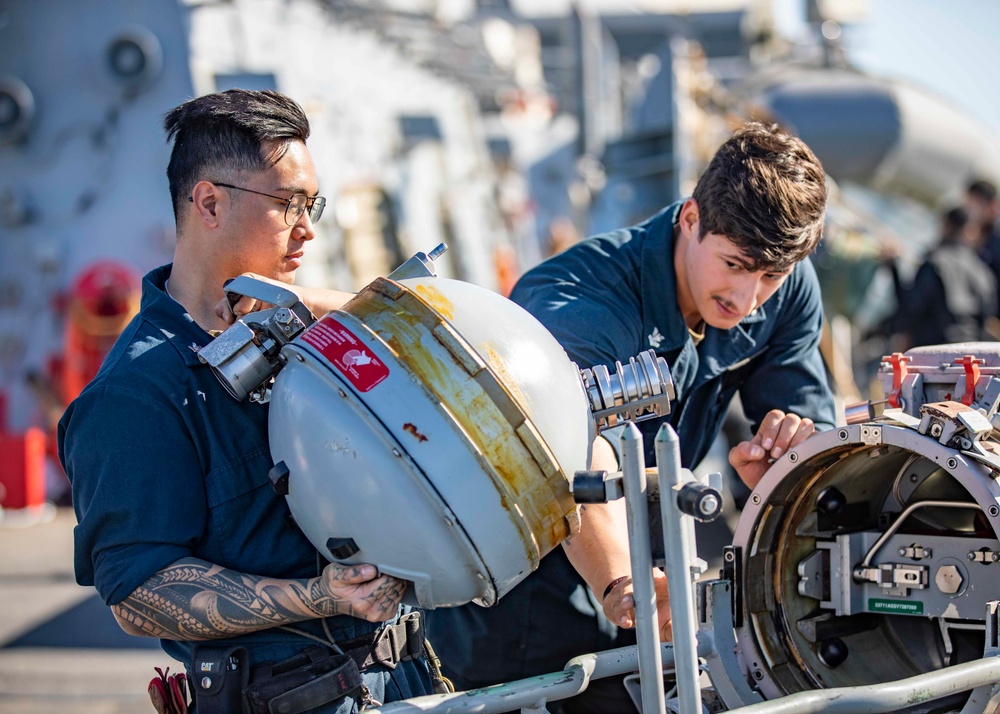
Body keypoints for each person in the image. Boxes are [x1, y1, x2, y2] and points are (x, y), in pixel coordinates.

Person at [426, 121, 837, 712]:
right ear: (691, 218)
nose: (748, 299)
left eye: (770, 276)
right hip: (520, 582)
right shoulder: (581, 303)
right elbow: (568, 449)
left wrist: (785, 457)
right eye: (735, 265)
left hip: (649, 578)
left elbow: (802, 411)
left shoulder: (789, 289)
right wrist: (619, 582)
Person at [58, 89, 434, 713]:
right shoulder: (138, 391)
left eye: (311, 203)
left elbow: (415, 337)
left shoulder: (294, 330)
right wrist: (323, 596)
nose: (308, 228)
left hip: (404, 676)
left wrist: (312, 304)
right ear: (208, 201)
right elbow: (137, 592)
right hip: (288, 697)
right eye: (288, 204)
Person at [880, 206, 996, 348]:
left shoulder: (935, 262)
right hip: (966, 357)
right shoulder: (984, 274)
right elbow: (985, 320)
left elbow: (910, 308)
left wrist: (893, 269)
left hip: (930, 353)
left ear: (946, 226)